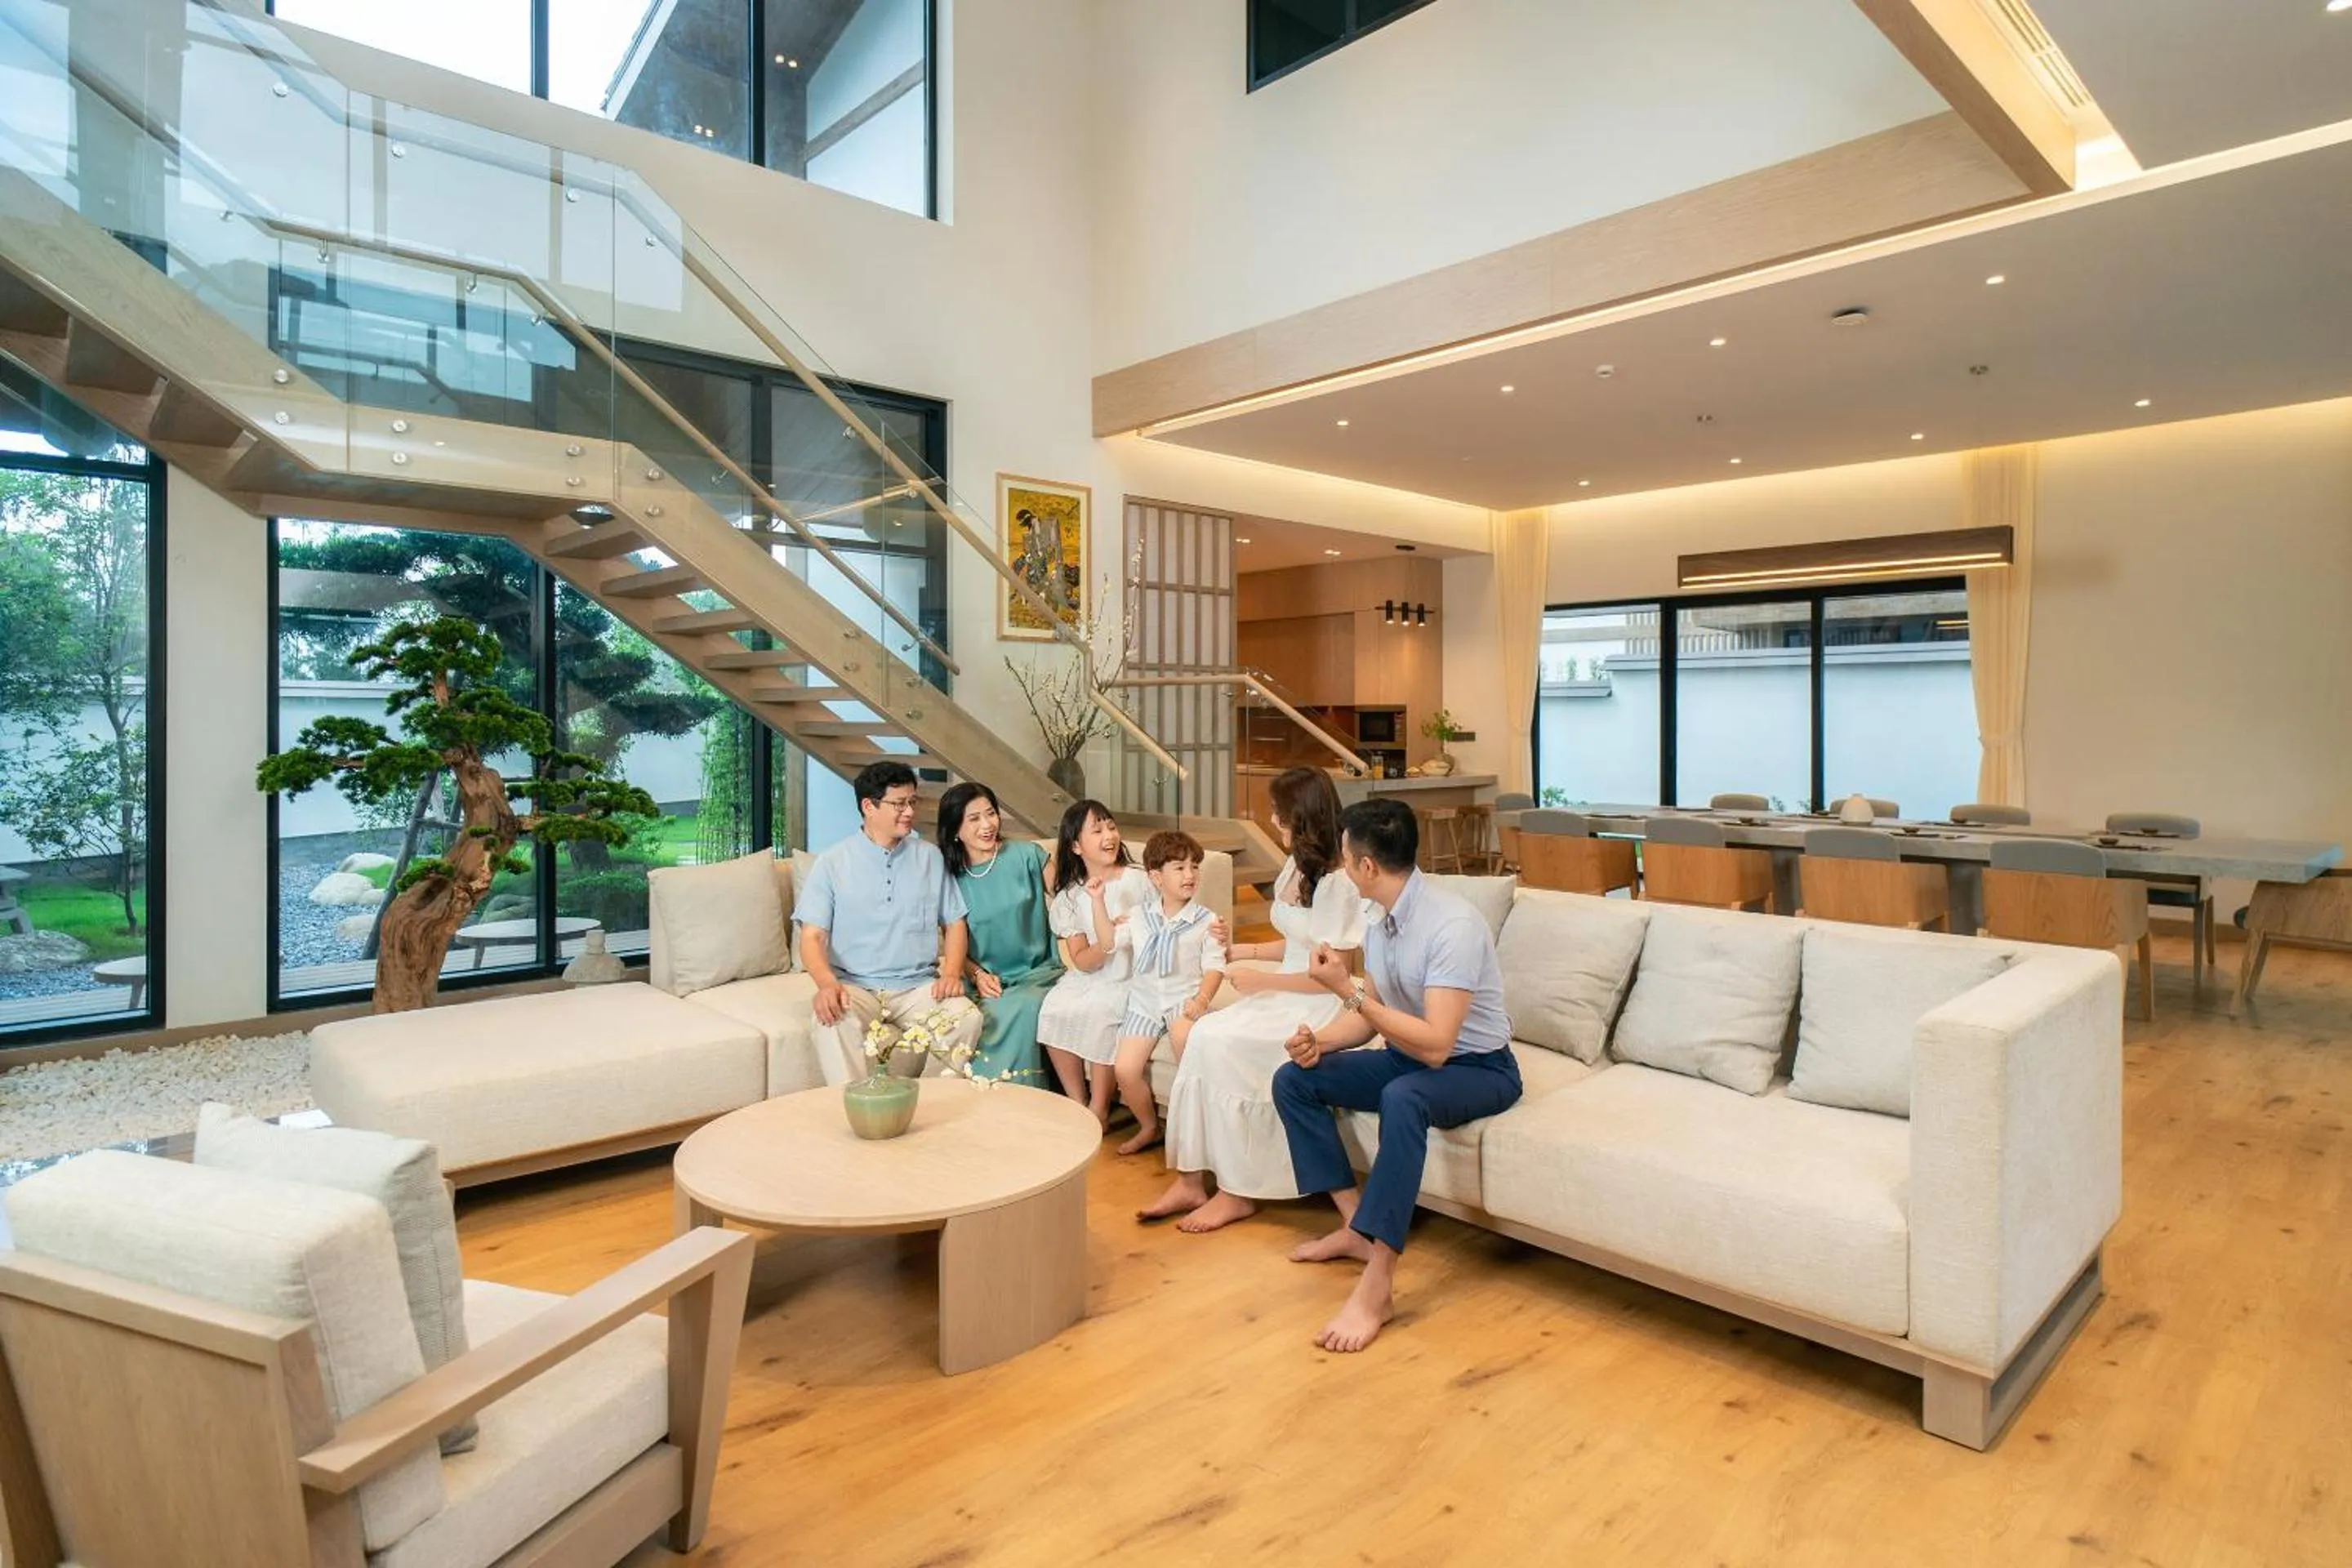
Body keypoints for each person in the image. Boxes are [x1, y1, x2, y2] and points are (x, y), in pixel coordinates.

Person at [1272, 796, 1521, 1354]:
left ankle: (1378, 1281)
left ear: (1365, 866)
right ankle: (1356, 1226)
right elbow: (1371, 1016)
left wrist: (1348, 991)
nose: (1341, 863)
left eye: (1344, 854)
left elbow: (1436, 1046)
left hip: (1479, 1070)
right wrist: (1321, 1041)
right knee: (1295, 1080)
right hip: (1410, 1055)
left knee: (1404, 1096)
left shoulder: (1451, 926)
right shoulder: (1377, 918)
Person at [1139, 767, 1365, 1232]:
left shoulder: (1341, 884)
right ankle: (1190, 1179)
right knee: (1204, 1035)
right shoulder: (1296, 865)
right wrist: (1248, 952)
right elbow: (1298, 944)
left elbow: (1334, 975)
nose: (1274, 822)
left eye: (1280, 816)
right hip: (1286, 989)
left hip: (1321, 1003)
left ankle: (1236, 1192)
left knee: (1221, 1041)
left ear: (1300, 818)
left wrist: (1265, 983)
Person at [795, 760, 982, 1085]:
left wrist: (951, 973)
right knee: (832, 1021)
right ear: (869, 806)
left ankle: (934, 1100)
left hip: (918, 986)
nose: (909, 811)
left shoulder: (930, 858)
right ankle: (857, 1108)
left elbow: (955, 923)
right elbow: (812, 937)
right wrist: (827, 985)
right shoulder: (832, 863)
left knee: (966, 1017)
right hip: (856, 985)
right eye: (899, 804)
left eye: (913, 802)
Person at [1106, 830, 1227, 1157]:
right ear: (1156, 877)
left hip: (1183, 1000)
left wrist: (1201, 999)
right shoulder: (1138, 916)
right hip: (1144, 1004)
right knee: (1125, 1070)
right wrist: (1097, 907)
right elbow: (1110, 943)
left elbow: (1215, 966)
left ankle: (1197, 1130)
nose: (1190, 875)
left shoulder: (1207, 921)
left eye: (1194, 867)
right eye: (1180, 868)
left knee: (1185, 1043)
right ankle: (1149, 1127)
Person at [1036, 799, 1152, 1125]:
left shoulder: (1139, 879)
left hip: (1132, 975)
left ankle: (1100, 1107)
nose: (1109, 836)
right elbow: (1083, 961)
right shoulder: (1070, 897)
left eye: (1111, 826)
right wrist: (1108, 940)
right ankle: (1078, 1101)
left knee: (1101, 1013)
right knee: (1054, 1009)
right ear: (1075, 846)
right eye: (1097, 830)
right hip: (1094, 974)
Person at [939, 781, 1059, 1086]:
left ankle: (1021, 1102)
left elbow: (1071, 899)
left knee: (1024, 1006)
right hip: (987, 980)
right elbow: (955, 945)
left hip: (1039, 972)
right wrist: (977, 974)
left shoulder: (1028, 856)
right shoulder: (949, 879)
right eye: (974, 819)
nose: (987, 825)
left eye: (990, 814)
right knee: (987, 1015)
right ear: (955, 829)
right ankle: (988, 1103)